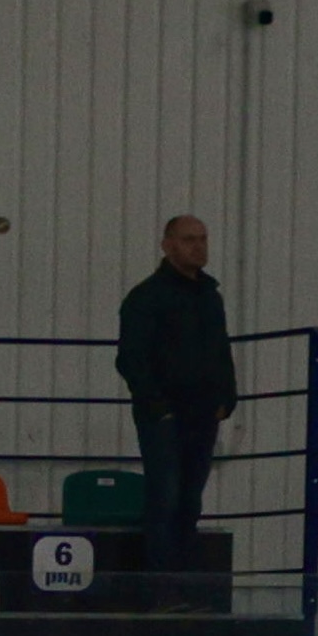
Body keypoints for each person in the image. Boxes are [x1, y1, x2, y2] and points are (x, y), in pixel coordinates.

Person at [114, 215, 237, 605]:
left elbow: (221, 351)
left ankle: (182, 586)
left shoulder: (210, 297)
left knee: (189, 502)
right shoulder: (146, 298)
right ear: (167, 245)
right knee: (165, 499)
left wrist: (227, 398)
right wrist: (157, 406)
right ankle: (162, 589)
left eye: (202, 239)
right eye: (188, 240)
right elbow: (131, 358)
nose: (198, 247)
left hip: (202, 413)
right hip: (165, 417)